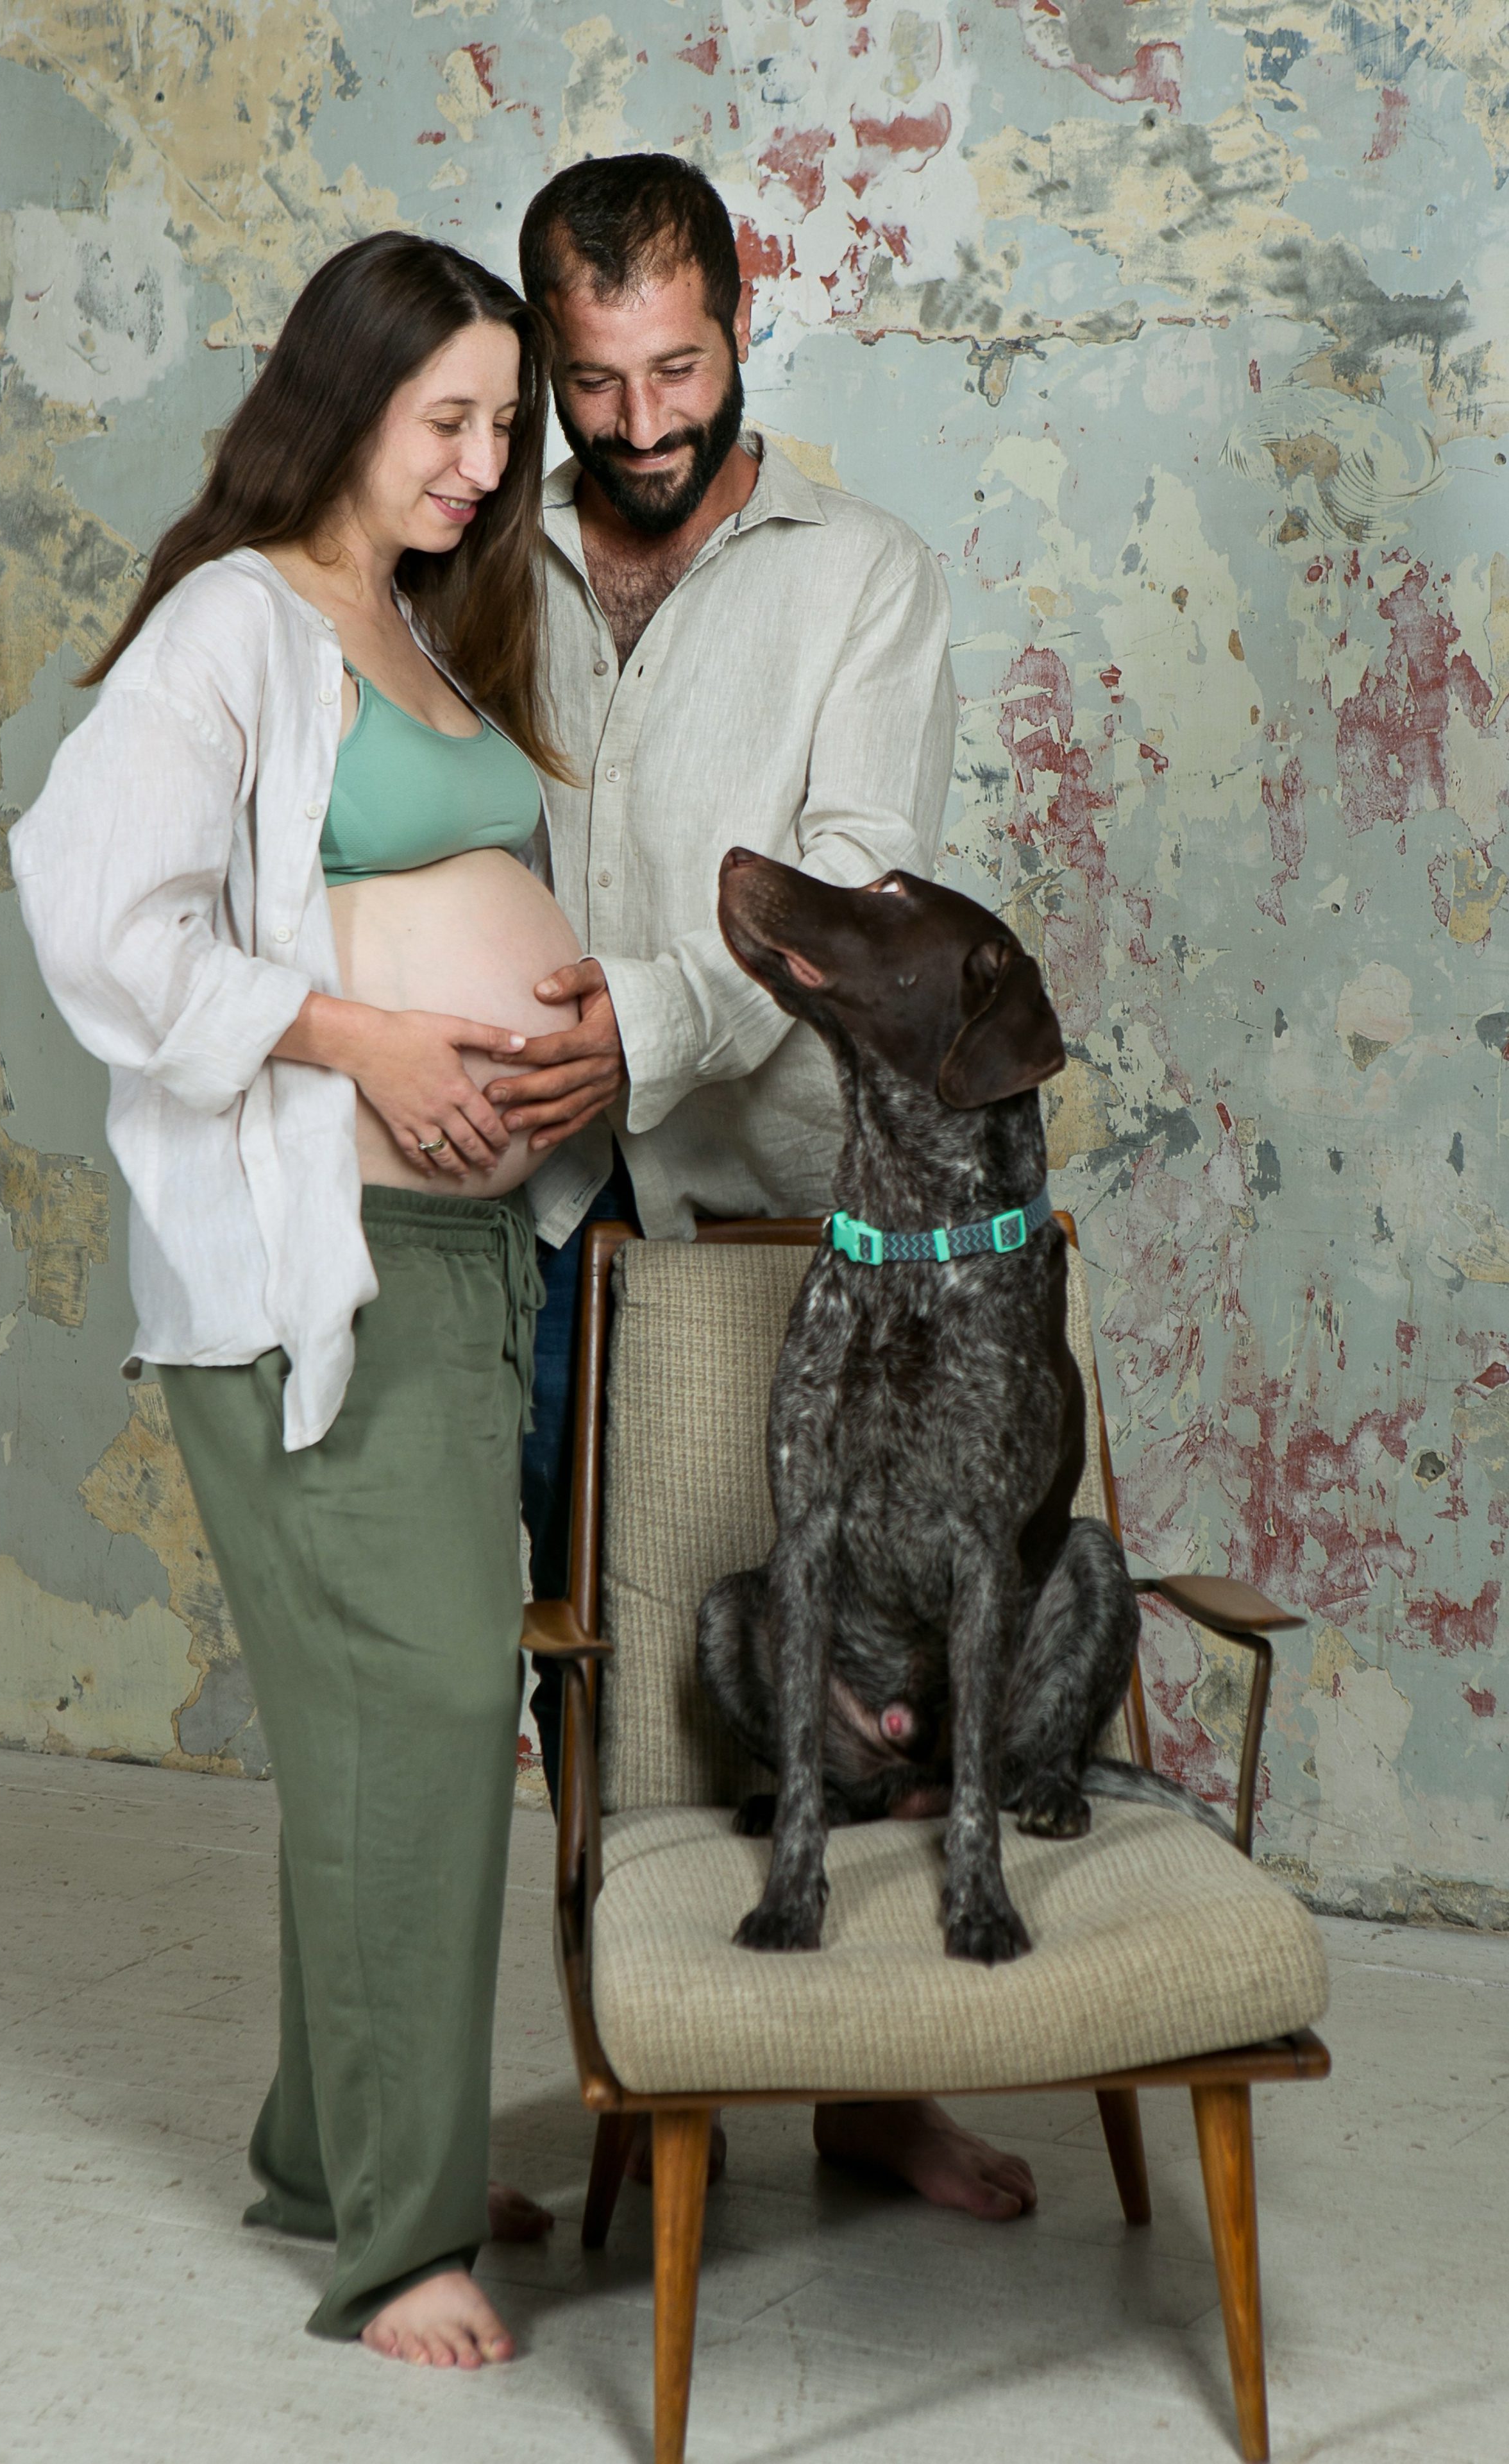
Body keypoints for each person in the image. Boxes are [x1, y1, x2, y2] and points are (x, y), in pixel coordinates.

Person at [12, 232, 582, 2370]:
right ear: (339, 403)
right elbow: (103, 916)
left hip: (476, 1256)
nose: (484, 462)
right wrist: (367, 1041)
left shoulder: (418, 625)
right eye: (448, 417)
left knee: (390, 1713)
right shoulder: (232, 625)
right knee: (422, 1704)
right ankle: (398, 2240)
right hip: (312, 1266)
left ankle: (333, 2142)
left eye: (504, 425)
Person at [500, 155, 1039, 2226]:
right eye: (594, 382)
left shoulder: (865, 576)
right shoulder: (484, 548)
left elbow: (852, 892)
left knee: (866, 1648)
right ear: (544, 364)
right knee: (595, 1671)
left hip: (793, 1224)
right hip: (545, 1207)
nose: (640, 423)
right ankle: (645, 2075)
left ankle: (871, 2088)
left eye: (678, 368)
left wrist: (632, 1025)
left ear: (744, 320)